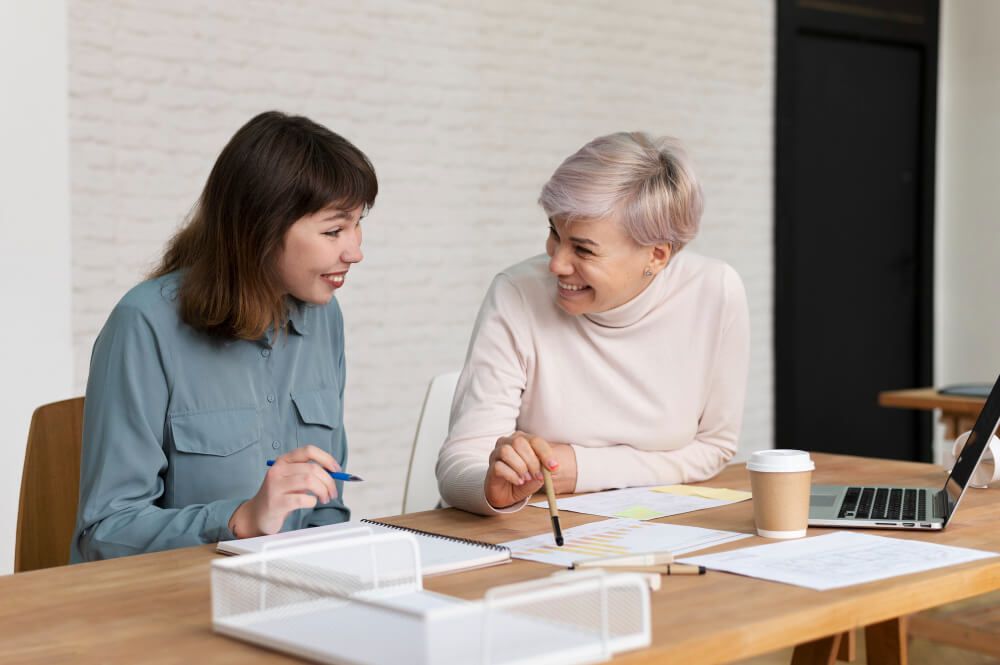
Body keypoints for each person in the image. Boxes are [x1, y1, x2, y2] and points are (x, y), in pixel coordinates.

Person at [72, 111, 376, 561]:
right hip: (167, 607)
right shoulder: (144, 325)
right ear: (262, 229)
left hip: (289, 597)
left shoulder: (324, 319)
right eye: (334, 230)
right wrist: (239, 520)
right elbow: (103, 532)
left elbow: (325, 511)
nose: (356, 251)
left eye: (357, 224)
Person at [437, 132, 749, 514]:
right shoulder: (517, 293)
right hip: (529, 531)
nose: (556, 264)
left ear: (657, 255)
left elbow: (715, 448)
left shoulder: (714, 292)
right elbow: (458, 465)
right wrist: (490, 488)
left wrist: (580, 468)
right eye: (554, 233)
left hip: (654, 527)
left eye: (583, 248)